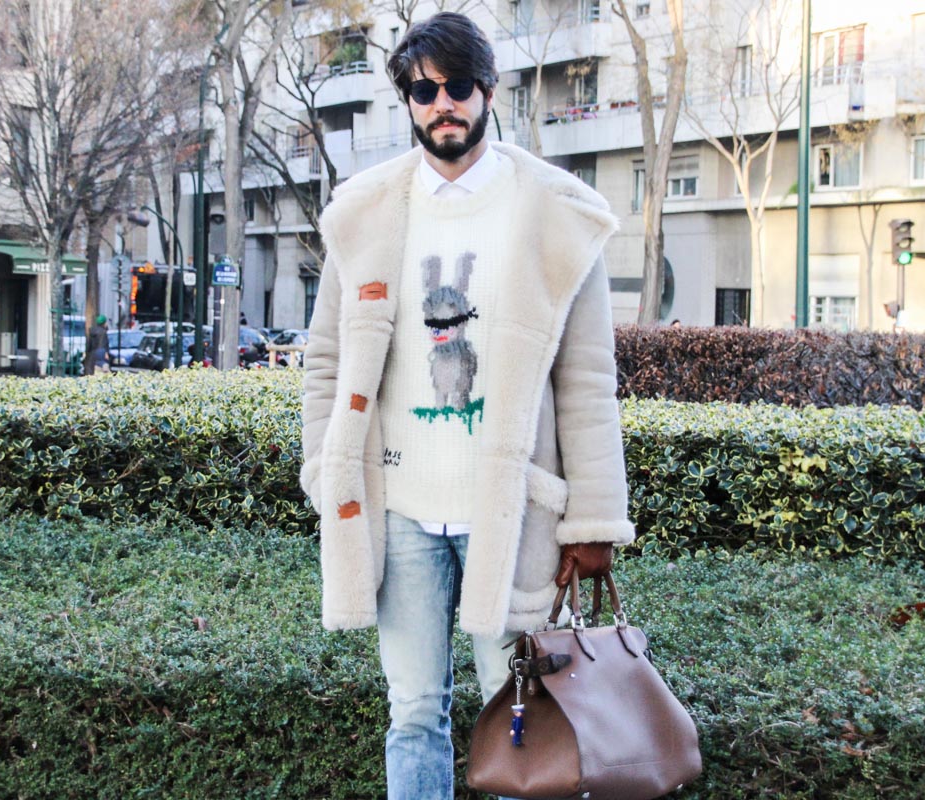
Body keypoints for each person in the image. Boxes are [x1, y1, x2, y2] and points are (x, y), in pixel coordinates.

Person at [299, 12, 635, 799]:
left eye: (457, 86)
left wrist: (592, 523)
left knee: (519, 711)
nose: (441, 103)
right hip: (401, 510)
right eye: (424, 89)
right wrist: (326, 468)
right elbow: (324, 363)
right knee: (412, 710)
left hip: (512, 514)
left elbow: (587, 382)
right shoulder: (362, 212)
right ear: (407, 100)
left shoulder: (557, 211)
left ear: (488, 91)